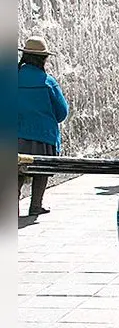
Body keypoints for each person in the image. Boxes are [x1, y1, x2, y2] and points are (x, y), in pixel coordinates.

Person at [17, 36, 69, 216]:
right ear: (43, 59)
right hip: (43, 137)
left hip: (15, 137)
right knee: (41, 170)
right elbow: (62, 112)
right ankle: (36, 205)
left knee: (15, 173)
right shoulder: (48, 82)